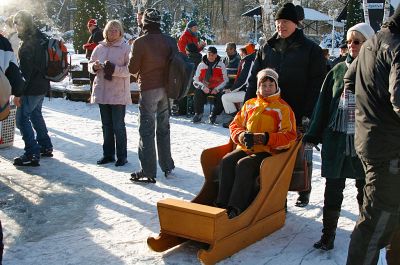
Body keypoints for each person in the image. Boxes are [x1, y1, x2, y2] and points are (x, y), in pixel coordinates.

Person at [243, 2, 326, 207]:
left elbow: (318, 84)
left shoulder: (311, 50)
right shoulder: (266, 48)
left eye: (286, 22)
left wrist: (308, 113)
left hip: (298, 110)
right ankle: (276, 196)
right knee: (272, 154)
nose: (281, 26)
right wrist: (247, 105)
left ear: (296, 24)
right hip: (269, 110)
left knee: (299, 154)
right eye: (278, 22)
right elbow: (254, 79)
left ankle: (303, 189)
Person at [303, 22, 375, 251]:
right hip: (336, 140)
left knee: (366, 192)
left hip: (364, 143)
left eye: (357, 41)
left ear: (369, 44)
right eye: (349, 42)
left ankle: (365, 237)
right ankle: (328, 236)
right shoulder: (336, 71)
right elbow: (323, 105)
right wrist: (313, 134)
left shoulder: (377, 70)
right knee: (332, 190)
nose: (351, 46)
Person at [344, 6, 400, 265]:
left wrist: (363, 118)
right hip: (390, 151)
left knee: (386, 220)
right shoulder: (396, 45)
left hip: (372, 143)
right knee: (375, 226)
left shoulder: (374, 41)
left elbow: (349, 79)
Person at [216, 68, 297, 219]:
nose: (267, 89)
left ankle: (236, 208)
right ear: (258, 87)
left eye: (270, 86)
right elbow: (235, 124)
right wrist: (240, 136)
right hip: (247, 148)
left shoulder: (283, 108)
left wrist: (265, 138)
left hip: (269, 153)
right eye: (263, 85)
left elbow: (289, 136)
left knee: (244, 165)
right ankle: (222, 204)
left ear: (276, 86)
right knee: (227, 161)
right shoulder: (250, 104)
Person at [128, 8, 176, 183]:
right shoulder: (170, 41)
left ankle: (148, 171)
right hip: (168, 90)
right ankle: (167, 165)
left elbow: (132, 69)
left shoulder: (140, 42)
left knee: (147, 130)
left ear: (144, 22)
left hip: (149, 88)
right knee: (164, 128)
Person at [12, 10, 53, 167]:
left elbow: (25, 73)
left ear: (23, 23)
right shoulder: (40, 37)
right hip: (43, 85)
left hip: (32, 88)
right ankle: (45, 145)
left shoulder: (29, 42)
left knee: (22, 119)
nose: (15, 26)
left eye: (17, 22)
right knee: (35, 115)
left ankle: (31, 153)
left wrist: (19, 93)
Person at [88, 20, 131, 167]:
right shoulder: (99, 47)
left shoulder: (126, 48)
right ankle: (108, 154)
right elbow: (90, 64)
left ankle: (122, 156)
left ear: (120, 32)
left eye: (115, 30)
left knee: (118, 126)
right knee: (106, 125)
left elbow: (130, 71)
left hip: (118, 93)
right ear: (105, 32)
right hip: (102, 91)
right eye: (110, 30)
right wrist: (94, 66)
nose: (112, 32)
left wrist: (113, 69)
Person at [222, 43, 256, 128]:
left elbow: (243, 80)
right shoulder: (249, 60)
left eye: (242, 52)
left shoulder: (249, 62)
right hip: (247, 90)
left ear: (246, 53)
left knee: (225, 97)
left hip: (249, 92)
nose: (240, 54)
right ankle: (238, 119)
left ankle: (236, 120)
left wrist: (231, 90)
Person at [192, 46, 228, 124]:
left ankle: (214, 115)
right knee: (198, 93)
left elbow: (225, 79)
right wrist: (203, 87)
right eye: (209, 55)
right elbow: (195, 79)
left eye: (212, 55)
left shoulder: (221, 65)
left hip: (216, 88)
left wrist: (217, 89)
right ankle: (198, 113)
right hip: (205, 87)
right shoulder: (201, 65)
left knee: (222, 96)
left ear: (216, 55)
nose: (210, 57)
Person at [171, 43, 202, 116]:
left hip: (189, 86)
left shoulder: (187, 60)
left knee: (177, 87)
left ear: (188, 51)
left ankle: (180, 109)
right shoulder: (201, 59)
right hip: (199, 85)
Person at [83, 18, 103, 91]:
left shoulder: (97, 33)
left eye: (89, 26)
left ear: (93, 26)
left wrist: (87, 46)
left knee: (93, 78)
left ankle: (93, 94)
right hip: (94, 59)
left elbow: (97, 45)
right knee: (93, 77)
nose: (88, 28)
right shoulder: (96, 33)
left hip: (96, 59)